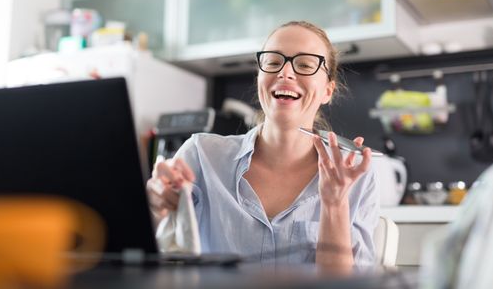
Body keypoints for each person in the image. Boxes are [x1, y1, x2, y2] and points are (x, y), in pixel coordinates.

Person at [147, 21, 379, 267]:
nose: (285, 73)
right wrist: (155, 205)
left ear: (327, 91)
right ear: (260, 78)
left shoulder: (355, 176)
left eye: (305, 65)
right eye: (273, 62)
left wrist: (335, 205)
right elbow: (157, 251)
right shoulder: (201, 156)